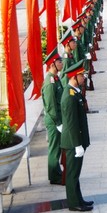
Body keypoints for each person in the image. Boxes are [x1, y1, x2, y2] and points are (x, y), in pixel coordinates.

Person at [59, 60, 93, 211]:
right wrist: (77, 145)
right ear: (74, 77)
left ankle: (79, 199)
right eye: (82, 75)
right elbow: (71, 123)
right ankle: (74, 203)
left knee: (76, 173)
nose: (84, 78)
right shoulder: (69, 96)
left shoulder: (74, 93)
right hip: (73, 143)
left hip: (76, 141)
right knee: (72, 175)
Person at [42, 48, 64, 185]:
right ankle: (54, 176)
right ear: (52, 64)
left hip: (58, 118)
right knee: (54, 148)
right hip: (53, 119)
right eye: (59, 61)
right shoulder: (50, 82)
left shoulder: (55, 78)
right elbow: (51, 106)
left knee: (57, 147)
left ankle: (56, 172)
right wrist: (58, 122)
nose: (61, 63)